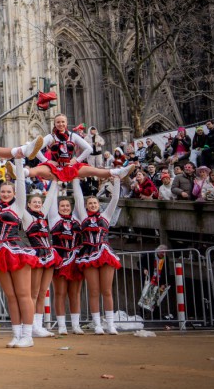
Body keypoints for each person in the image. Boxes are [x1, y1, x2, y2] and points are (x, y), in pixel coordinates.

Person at [0, 159, 39, 348]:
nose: (5, 194)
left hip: (16, 250)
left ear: (14, 194)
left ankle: (28, 335)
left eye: (8, 192)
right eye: (3, 191)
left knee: (23, 294)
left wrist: (20, 164)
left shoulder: (18, 206)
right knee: (11, 296)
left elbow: (21, 185)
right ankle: (16, 333)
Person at [75, 176, 124, 335]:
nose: (93, 205)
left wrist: (117, 179)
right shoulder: (83, 217)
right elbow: (77, 197)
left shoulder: (106, 216)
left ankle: (110, 324)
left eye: (95, 203)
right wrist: (75, 178)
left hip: (104, 252)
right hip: (88, 253)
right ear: (87, 206)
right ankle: (97, 324)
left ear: (99, 205)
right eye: (90, 203)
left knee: (107, 290)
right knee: (94, 291)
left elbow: (115, 198)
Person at [19, 162, 61, 339]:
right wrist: (21, 177)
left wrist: (56, 180)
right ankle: (32, 325)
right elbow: (20, 201)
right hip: (36, 254)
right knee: (33, 292)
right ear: (28, 204)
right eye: (34, 202)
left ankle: (39, 324)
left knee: (43, 292)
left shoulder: (43, 216)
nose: (37, 204)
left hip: (49, 254)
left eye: (39, 202)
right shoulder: (27, 218)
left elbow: (51, 198)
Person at [26, 114, 135, 182]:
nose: (60, 124)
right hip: (54, 168)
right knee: (36, 170)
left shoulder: (73, 136)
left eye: (63, 122)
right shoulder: (51, 137)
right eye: (58, 122)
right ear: (54, 124)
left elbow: (89, 149)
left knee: (94, 170)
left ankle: (119, 172)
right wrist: (47, 161)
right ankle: (20, 172)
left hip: (70, 166)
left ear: (66, 123)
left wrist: (76, 160)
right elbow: (35, 149)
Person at [47, 180, 85, 335]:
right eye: (62, 206)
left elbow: (79, 200)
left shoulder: (77, 218)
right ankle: (62, 325)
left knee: (75, 293)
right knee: (60, 293)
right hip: (60, 259)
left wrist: (75, 178)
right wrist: (55, 181)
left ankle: (75, 325)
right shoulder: (54, 219)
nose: (64, 208)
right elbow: (51, 201)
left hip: (75, 258)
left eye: (67, 206)